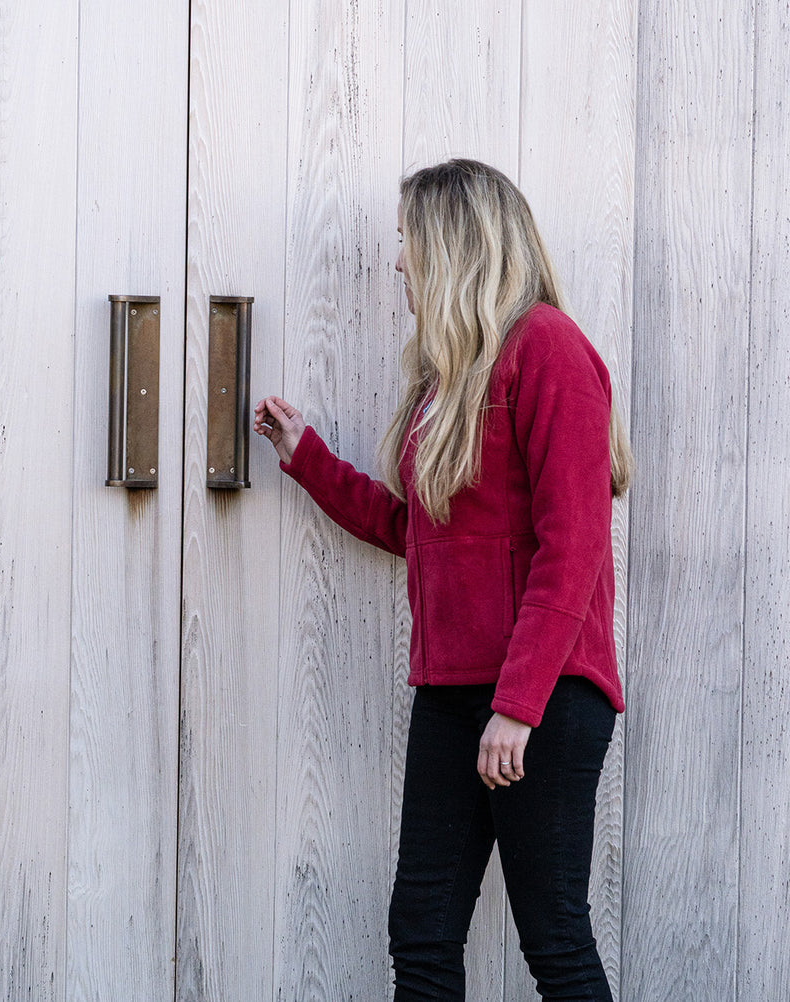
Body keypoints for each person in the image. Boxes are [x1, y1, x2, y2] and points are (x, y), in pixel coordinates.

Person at [254, 159, 632, 1002]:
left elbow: (573, 549)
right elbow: (414, 530)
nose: (398, 264)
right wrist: (306, 458)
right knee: (420, 938)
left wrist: (518, 705)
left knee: (554, 939)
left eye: (407, 244)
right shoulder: (455, 378)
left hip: (544, 698)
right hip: (455, 694)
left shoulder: (549, 351)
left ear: (456, 245)